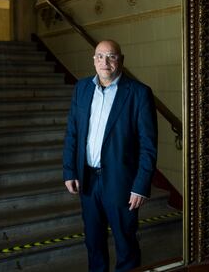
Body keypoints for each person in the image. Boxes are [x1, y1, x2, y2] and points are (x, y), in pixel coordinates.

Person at [63, 39, 158, 272]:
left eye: (111, 56)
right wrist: (70, 170)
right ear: (93, 60)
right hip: (88, 179)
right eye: (99, 56)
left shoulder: (139, 93)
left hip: (122, 182)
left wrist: (141, 185)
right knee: (93, 241)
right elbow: (73, 133)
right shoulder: (82, 88)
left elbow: (148, 145)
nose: (105, 62)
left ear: (121, 61)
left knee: (125, 242)